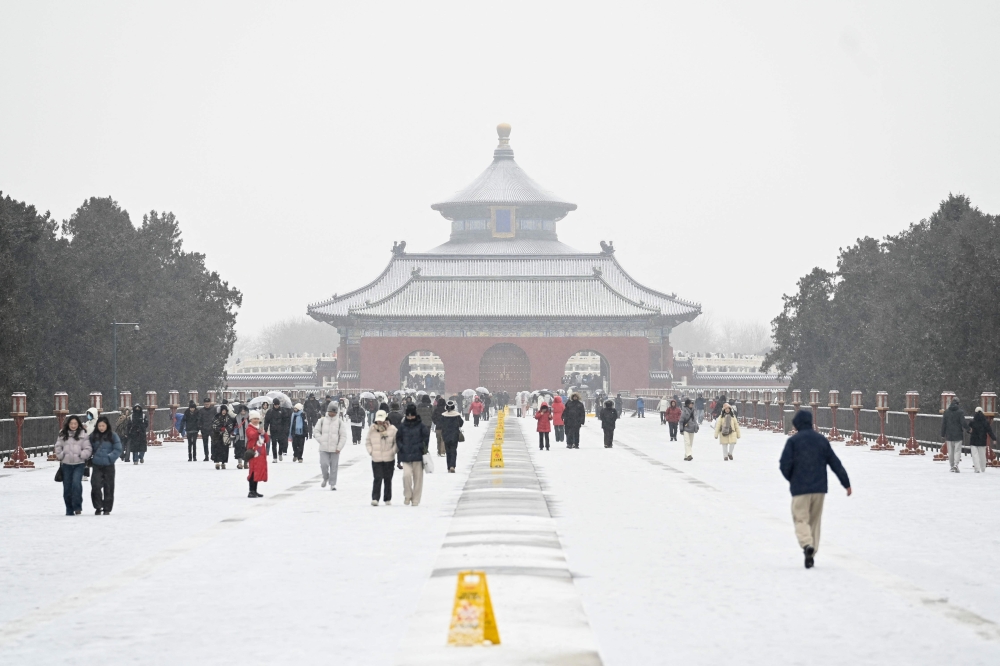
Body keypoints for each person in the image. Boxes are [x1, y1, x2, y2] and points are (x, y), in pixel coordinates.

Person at [779, 410, 852, 569]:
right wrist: (846, 483)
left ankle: (806, 545)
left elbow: (784, 464)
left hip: (800, 489)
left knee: (801, 519)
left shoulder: (793, 442)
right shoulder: (821, 441)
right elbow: (835, 463)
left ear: (797, 424)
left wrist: (792, 478)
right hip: (819, 489)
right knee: (814, 522)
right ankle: (812, 552)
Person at [54, 415, 92, 515]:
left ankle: (77, 506)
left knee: (76, 484)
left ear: (78, 424)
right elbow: (58, 446)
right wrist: (61, 455)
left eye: (75, 423)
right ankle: (69, 509)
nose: (73, 425)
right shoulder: (63, 434)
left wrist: (82, 455)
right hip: (66, 464)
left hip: (79, 464)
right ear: (68, 424)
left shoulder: (83, 435)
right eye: (71, 423)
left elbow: (88, 448)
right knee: (67, 488)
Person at [397, 404, 431, 506]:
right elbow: (398, 438)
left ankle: (416, 499)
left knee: (418, 479)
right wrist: (401, 446)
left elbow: (426, 438)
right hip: (406, 455)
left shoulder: (421, 426)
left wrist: (421, 447)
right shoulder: (402, 427)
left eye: (412, 415)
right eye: (408, 415)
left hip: (418, 456)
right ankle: (407, 495)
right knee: (406, 476)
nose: (410, 417)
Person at [89, 415, 123, 516]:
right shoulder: (93, 436)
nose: (101, 428)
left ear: (107, 426)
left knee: (108, 486)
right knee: (96, 485)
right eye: (99, 426)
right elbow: (88, 448)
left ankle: (107, 507)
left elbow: (118, 449)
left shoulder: (113, 435)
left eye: (103, 426)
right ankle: (98, 506)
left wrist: (110, 457)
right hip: (97, 464)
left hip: (109, 465)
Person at [314, 401, 349, 489]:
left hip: (335, 449)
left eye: (334, 412)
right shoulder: (321, 420)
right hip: (323, 448)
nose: (332, 413)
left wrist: (339, 447)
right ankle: (326, 477)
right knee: (324, 464)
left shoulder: (339, 422)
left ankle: (332, 484)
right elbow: (316, 431)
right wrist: (321, 440)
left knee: (334, 467)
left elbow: (343, 436)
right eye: (331, 411)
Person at [366, 410, 398, 506]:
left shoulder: (392, 429)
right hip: (376, 458)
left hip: (389, 459)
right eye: (378, 420)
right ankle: (375, 498)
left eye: (381, 420)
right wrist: (371, 451)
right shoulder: (372, 429)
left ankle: (387, 498)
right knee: (377, 478)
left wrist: (393, 452)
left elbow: (397, 442)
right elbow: (368, 441)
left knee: (388, 479)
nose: (379, 422)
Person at [941, 397, 970, 473]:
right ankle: (956, 465)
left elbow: (944, 424)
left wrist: (942, 434)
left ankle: (951, 465)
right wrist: (968, 429)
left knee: (950, 451)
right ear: (958, 403)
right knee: (957, 450)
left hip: (949, 434)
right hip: (958, 434)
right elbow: (963, 422)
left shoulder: (946, 412)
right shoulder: (960, 412)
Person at [245, 410, 269, 498]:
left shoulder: (259, 428)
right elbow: (252, 436)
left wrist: (263, 433)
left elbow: (266, 440)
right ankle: (251, 491)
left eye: (257, 419)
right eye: (254, 419)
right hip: (254, 453)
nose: (256, 420)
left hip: (260, 454)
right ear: (251, 420)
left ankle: (255, 490)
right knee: (253, 472)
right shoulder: (249, 428)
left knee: (258, 472)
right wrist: (259, 432)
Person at [439, 400, 465, 473]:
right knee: (453, 451)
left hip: (446, 435)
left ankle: (448, 467)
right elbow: (461, 423)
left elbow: (440, 423)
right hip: (454, 435)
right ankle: (452, 466)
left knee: (448, 452)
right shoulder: (457, 415)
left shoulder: (443, 415)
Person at [969, 406, 996, 473]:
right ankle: (983, 468)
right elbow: (989, 431)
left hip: (973, 440)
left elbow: (968, 430)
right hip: (982, 440)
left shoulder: (972, 421)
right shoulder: (986, 422)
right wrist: (994, 439)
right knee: (982, 455)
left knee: (975, 455)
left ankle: (977, 468)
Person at [211, 404, 236, 470]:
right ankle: (217, 462)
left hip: (226, 436)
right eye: (223, 410)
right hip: (217, 436)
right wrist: (219, 429)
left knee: (224, 450)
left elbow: (231, 425)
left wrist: (226, 429)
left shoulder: (228, 417)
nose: (224, 412)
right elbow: (214, 425)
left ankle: (223, 463)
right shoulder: (216, 417)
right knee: (217, 449)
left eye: (225, 410)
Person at [233, 404, 249, 469]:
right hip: (239, 436)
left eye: (244, 411)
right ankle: (239, 463)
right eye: (241, 411)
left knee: (246, 450)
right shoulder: (236, 418)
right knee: (239, 450)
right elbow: (233, 426)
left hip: (247, 437)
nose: (243, 412)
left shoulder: (248, 417)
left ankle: (246, 463)